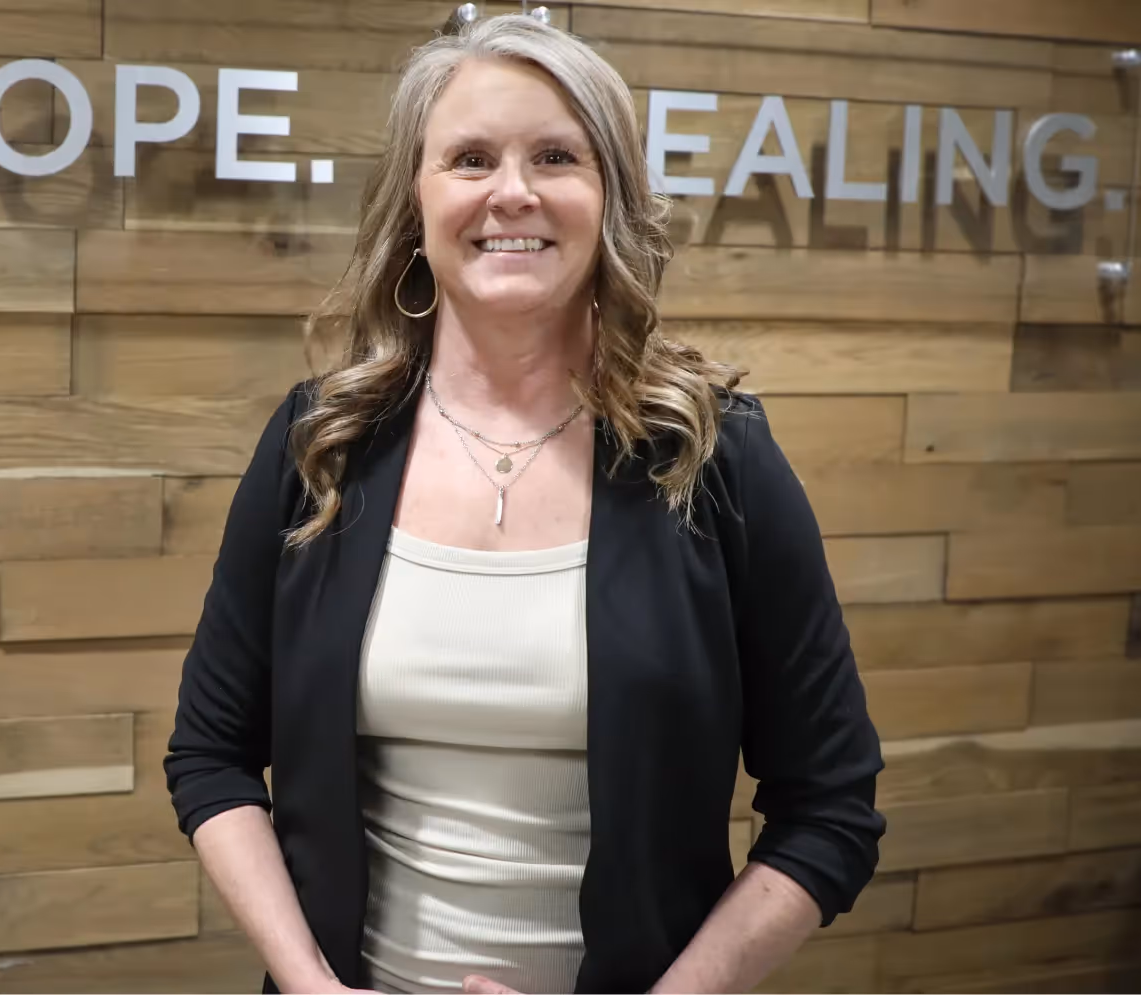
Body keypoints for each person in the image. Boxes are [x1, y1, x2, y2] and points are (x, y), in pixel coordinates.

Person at [163, 13, 885, 995]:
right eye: (469, 157)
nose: (514, 191)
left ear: (610, 199)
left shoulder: (717, 458)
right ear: (415, 201)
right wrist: (311, 985)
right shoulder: (320, 446)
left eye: (556, 155)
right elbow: (210, 754)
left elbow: (830, 804)